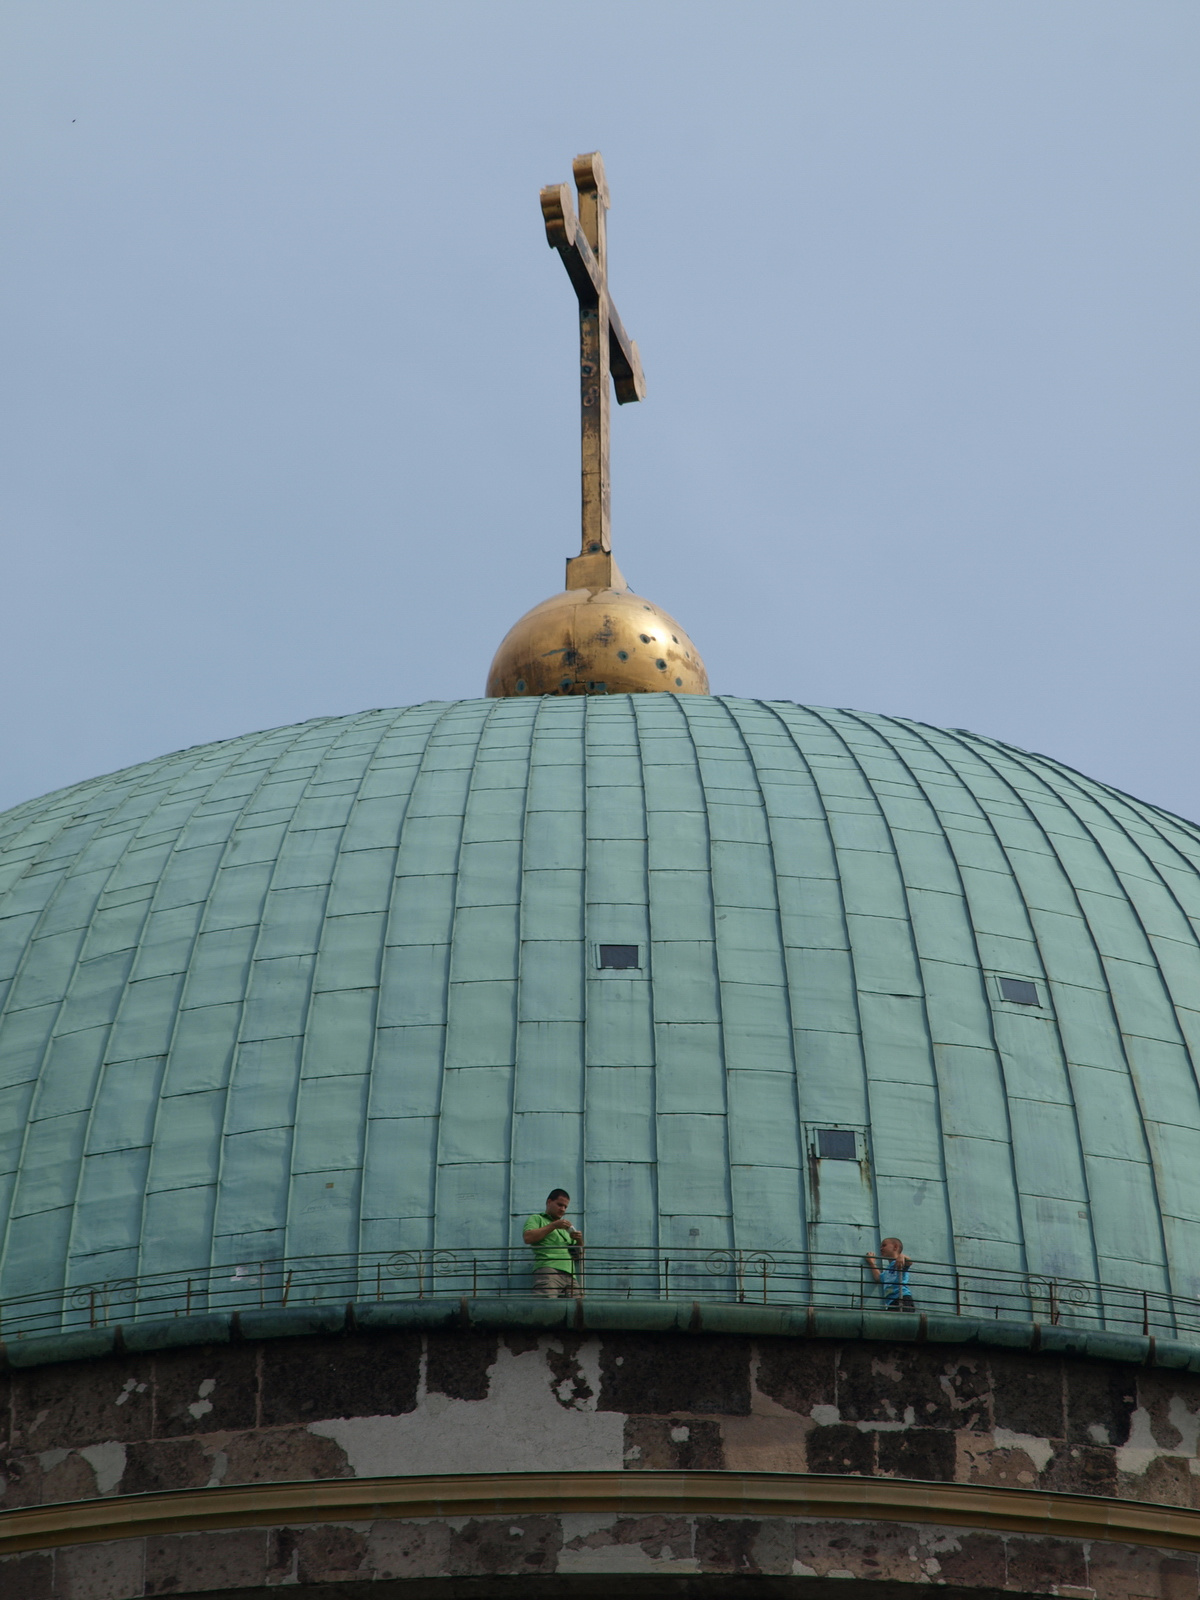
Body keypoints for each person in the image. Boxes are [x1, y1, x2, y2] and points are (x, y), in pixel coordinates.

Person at [523, 1188, 583, 1298]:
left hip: (570, 1275)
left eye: (565, 1207)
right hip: (549, 1270)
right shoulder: (537, 1218)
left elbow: (578, 1255)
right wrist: (554, 1225)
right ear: (549, 1202)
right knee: (546, 1309)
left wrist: (579, 1239)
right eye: (560, 1205)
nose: (563, 1209)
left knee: (578, 1310)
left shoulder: (566, 1228)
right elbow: (528, 1237)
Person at [866, 1237, 914, 1312]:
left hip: (902, 1299)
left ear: (895, 1247)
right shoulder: (887, 1271)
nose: (881, 1248)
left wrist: (902, 1256)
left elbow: (909, 1262)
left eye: (884, 1245)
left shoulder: (899, 1262)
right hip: (891, 1303)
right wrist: (871, 1263)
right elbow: (878, 1277)